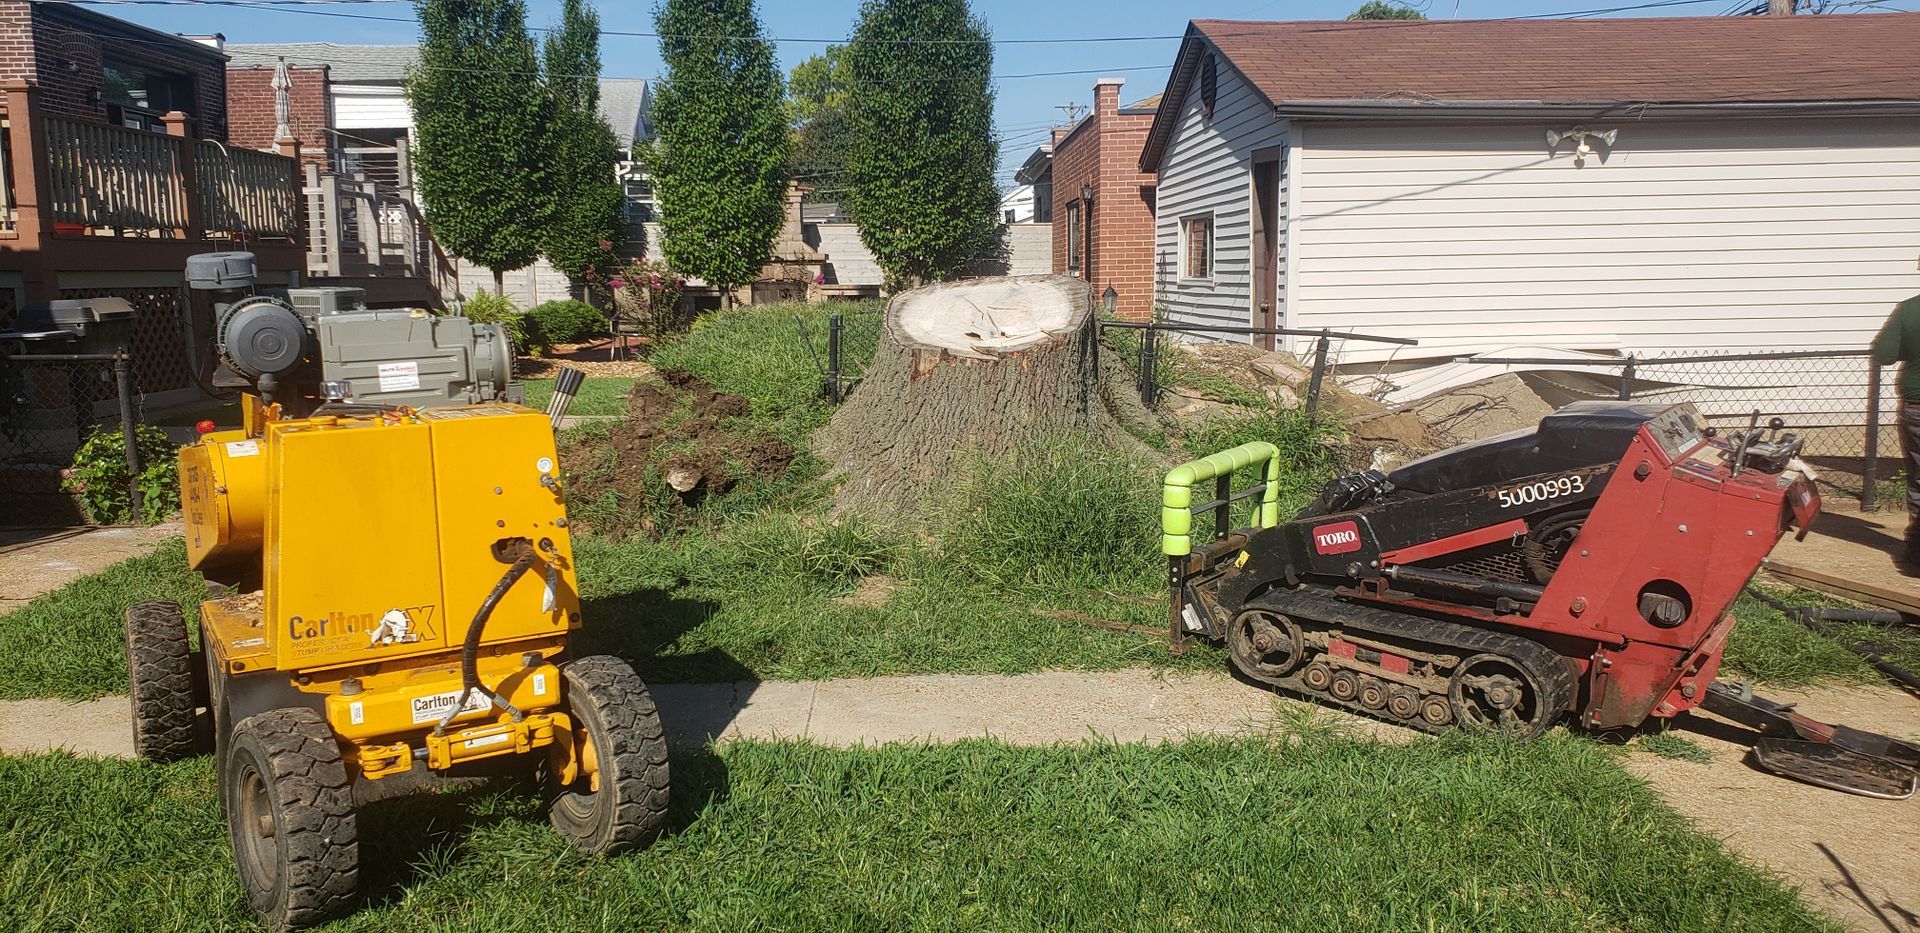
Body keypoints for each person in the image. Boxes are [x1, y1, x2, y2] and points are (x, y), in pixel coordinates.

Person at [1871, 292, 1920, 564]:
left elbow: (1884, 354)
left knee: (1918, 476)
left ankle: (1916, 548)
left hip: (1916, 407)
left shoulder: (1909, 309)